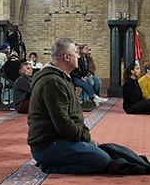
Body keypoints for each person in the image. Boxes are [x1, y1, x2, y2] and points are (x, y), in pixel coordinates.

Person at [27, 37, 111, 174]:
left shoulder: (62, 77)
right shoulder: (52, 81)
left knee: (106, 151)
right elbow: (63, 123)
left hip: (60, 139)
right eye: (75, 53)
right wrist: (86, 138)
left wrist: (85, 136)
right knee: (102, 160)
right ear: (66, 56)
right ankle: (50, 166)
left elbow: (73, 115)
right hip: (48, 145)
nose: (78, 56)